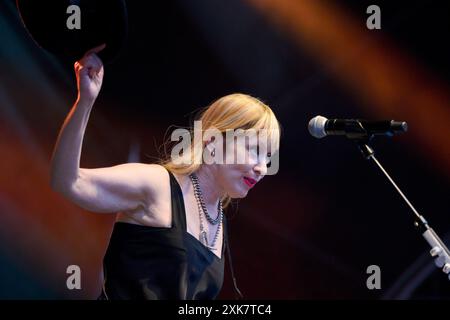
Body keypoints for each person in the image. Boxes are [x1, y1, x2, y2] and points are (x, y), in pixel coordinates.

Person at [50, 45, 281, 300]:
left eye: (268, 157)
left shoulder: (218, 219)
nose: (262, 167)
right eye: (254, 150)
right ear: (213, 141)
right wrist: (86, 101)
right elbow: (68, 181)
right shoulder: (158, 184)